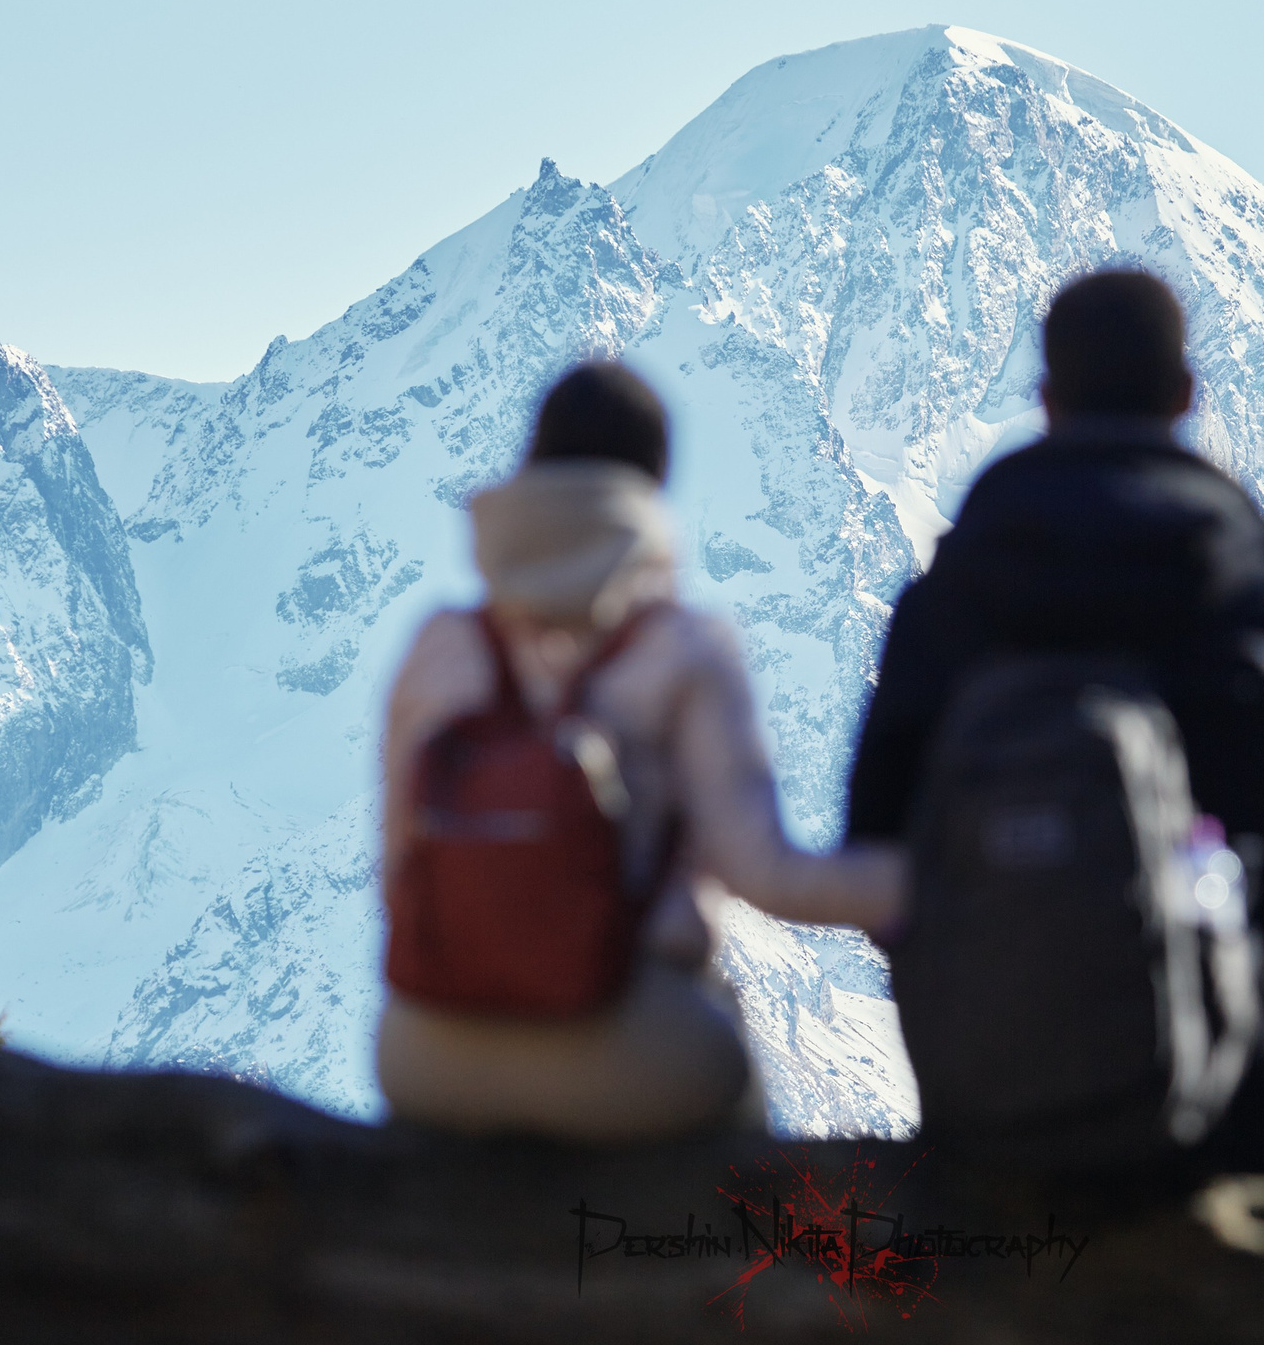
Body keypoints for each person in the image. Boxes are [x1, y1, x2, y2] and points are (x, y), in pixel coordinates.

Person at [846, 267, 1264, 1173]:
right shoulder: (1262, 607)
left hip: (990, 1094)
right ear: (1186, 395)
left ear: (1047, 397)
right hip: (1235, 1109)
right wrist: (1245, 1028)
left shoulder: (946, 608)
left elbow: (875, 851)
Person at [377, 361, 906, 1141]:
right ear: (654, 484)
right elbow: (764, 872)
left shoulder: (438, 645)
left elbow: (397, 867)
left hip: (428, 1053)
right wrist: (923, 883)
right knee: (749, 1170)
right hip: (623, 1051)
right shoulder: (683, 647)